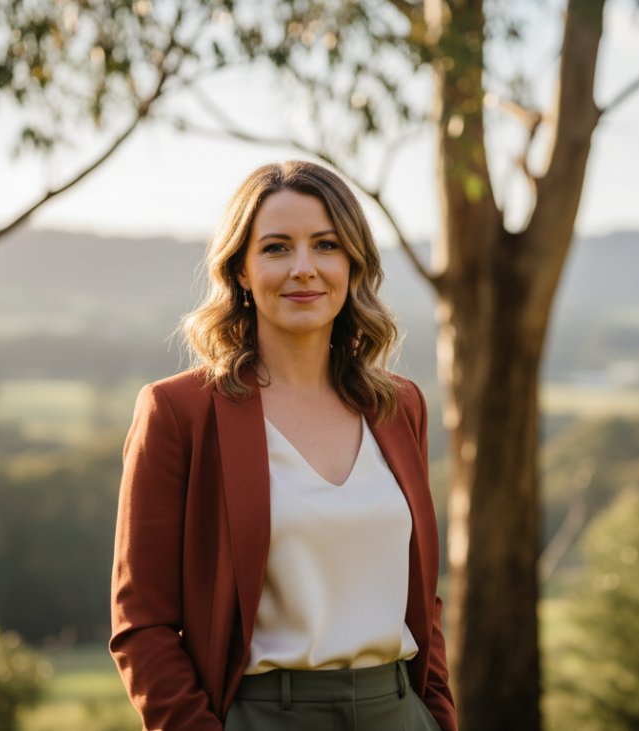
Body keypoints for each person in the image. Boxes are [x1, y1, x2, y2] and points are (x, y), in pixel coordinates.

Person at [108, 160, 456, 731]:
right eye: (275, 248)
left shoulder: (400, 407)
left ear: (352, 263)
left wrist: (439, 717)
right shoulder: (179, 413)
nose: (304, 269)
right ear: (241, 270)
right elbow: (140, 624)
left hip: (399, 713)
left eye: (325, 245)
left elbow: (425, 605)